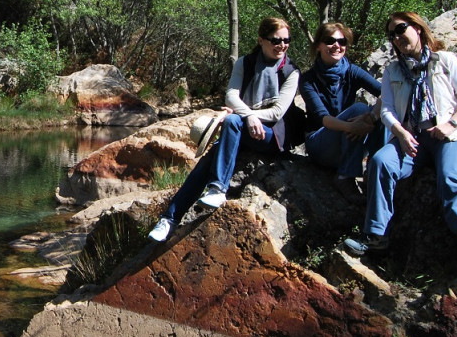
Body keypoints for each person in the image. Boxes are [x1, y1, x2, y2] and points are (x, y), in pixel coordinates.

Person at [343, 11, 457, 262]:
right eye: (392, 35)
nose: (397, 37)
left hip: (451, 135)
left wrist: (451, 124)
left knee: (451, 177)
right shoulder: (393, 71)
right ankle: (376, 236)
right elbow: (387, 108)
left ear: (418, 28)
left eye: (401, 29)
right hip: (412, 138)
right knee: (380, 162)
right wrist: (399, 133)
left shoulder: (445, 60)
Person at [149, 17, 300, 242]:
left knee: (230, 125)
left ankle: (182, 211)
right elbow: (231, 95)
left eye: (286, 40)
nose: (282, 45)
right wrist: (247, 116)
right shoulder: (245, 63)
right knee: (222, 139)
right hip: (243, 129)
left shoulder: (291, 72)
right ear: (261, 40)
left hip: (272, 136)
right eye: (276, 40)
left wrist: (243, 115)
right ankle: (174, 217)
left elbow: (277, 113)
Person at [299, 21, 383, 199]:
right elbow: (324, 118)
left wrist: (372, 117)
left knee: (381, 114)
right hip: (320, 142)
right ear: (319, 46)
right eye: (330, 41)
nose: (337, 45)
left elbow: (387, 95)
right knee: (359, 109)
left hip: (348, 139)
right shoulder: (308, 79)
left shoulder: (352, 71)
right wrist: (353, 127)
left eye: (342, 42)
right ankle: (345, 176)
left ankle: (373, 173)